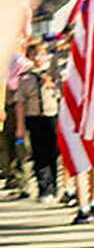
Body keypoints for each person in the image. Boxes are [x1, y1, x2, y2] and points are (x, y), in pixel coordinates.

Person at [12, 39, 59, 201]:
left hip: (52, 115)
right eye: (34, 54)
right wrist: (20, 126)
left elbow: (64, 96)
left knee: (54, 152)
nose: (39, 58)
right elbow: (20, 103)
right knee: (39, 153)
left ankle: (54, 185)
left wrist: (52, 84)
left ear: (47, 56)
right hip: (34, 117)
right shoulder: (25, 77)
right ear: (30, 57)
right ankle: (44, 188)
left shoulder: (54, 75)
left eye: (41, 54)